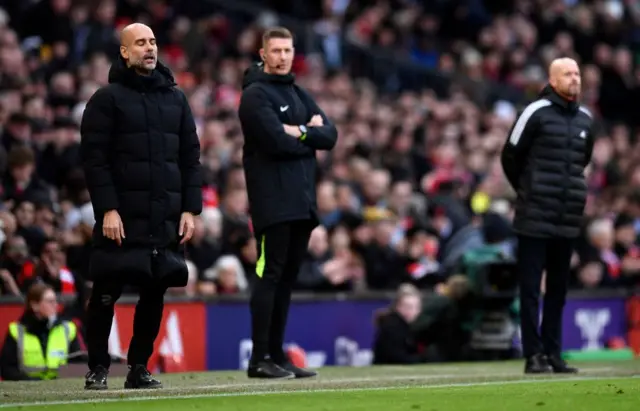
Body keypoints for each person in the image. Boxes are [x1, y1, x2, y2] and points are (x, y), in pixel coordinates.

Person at [80, 23, 202, 389]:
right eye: (140, 43)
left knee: (155, 292)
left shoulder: (176, 98)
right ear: (124, 51)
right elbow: (94, 161)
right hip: (122, 217)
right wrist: (108, 210)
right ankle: (98, 367)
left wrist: (189, 209)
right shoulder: (106, 98)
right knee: (105, 292)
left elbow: (189, 157)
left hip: (164, 216)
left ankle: (138, 367)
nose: (149, 48)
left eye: (152, 41)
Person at [237, 26, 338, 379]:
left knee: (286, 279)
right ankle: (259, 358)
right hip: (273, 203)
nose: (282, 56)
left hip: (302, 202)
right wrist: (307, 134)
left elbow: (331, 135)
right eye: (276, 51)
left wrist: (299, 131)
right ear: (263, 54)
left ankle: (277, 355)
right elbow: (275, 143)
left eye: (288, 50)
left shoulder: (297, 92)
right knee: (270, 276)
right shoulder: (254, 96)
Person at [500, 58, 594, 374]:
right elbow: (510, 155)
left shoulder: (585, 119)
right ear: (552, 80)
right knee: (530, 289)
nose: (575, 79)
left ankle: (554, 352)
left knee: (558, 290)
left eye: (578, 73)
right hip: (535, 214)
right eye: (568, 74)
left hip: (566, 217)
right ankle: (533, 354)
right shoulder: (534, 112)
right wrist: (527, 191)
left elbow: (583, 160)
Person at [0, 283, 84, 381]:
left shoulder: (68, 329)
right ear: (34, 305)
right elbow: (7, 369)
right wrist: (29, 382)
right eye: (50, 301)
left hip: (60, 388)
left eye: (55, 301)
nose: (55, 305)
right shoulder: (16, 331)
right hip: (27, 389)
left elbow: (78, 362)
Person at [372, 283, 424, 365]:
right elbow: (397, 356)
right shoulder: (391, 326)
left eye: (416, 307)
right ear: (398, 306)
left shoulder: (412, 326)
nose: (411, 311)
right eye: (407, 306)